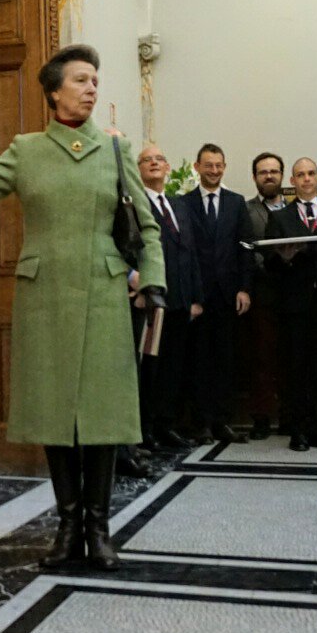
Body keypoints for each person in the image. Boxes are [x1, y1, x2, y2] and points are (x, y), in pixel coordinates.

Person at [0, 43, 166, 571]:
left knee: (100, 416)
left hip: (103, 291)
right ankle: (67, 525)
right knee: (55, 416)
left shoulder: (118, 153)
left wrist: (156, 283)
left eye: (95, 79)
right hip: (44, 295)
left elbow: (147, 225)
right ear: (54, 91)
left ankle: (98, 528)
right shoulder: (26, 150)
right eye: (80, 80)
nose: (92, 88)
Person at [265, 158, 317, 451]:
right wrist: (284, 257)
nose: (306, 179)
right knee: (295, 369)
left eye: (311, 173)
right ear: (293, 181)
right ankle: (297, 430)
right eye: (300, 175)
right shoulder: (280, 218)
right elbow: (268, 261)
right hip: (294, 303)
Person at [183, 143, 255, 445]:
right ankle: (200, 424)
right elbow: (183, 253)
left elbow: (246, 249)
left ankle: (223, 422)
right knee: (198, 362)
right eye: (208, 165)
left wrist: (245, 288)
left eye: (219, 165)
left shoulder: (236, 203)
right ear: (197, 167)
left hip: (228, 296)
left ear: (224, 168)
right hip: (197, 297)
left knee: (225, 361)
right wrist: (189, 295)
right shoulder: (182, 203)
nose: (214, 170)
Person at [135, 144, 204, 455]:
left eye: (159, 159)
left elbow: (191, 252)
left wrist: (196, 297)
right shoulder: (136, 205)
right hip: (153, 301)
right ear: (138, 169)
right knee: (151, 367)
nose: (153, 163)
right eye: (146, 160)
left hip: (181, 301)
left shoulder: (179, 204)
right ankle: (145, 429)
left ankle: (166, 425)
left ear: (167, 167)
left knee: (175, 367)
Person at [244, 152, 288, 439]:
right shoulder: (244, 210)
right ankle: (261, 417)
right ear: (255, 177)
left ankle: (289, 417)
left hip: (293, 294)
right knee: (261, 358)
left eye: (274, 171)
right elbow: (244, 248)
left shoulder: (296, 209)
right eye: (263, 172)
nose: (269, 176)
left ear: (283, 175)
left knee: (291, 358)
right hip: (261, 293)